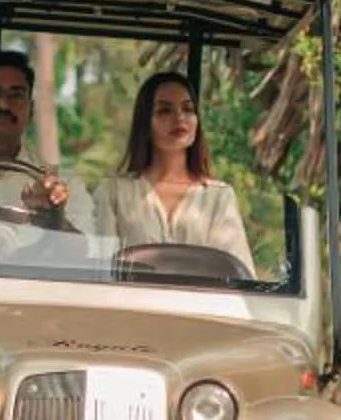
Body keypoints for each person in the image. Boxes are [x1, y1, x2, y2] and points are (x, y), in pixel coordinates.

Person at [100, 71, 256, 275]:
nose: (179, 117)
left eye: (188, 109)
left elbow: (240, 276)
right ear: (145, 122)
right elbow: (100, 271)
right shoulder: (115, 191)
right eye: (165, 110)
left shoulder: (218, 196)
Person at [0, 47, 93, 234]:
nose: (4, 105)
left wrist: (55, 218)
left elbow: (88, 255)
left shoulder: (63, 186)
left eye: (16, 95)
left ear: (31, 111)